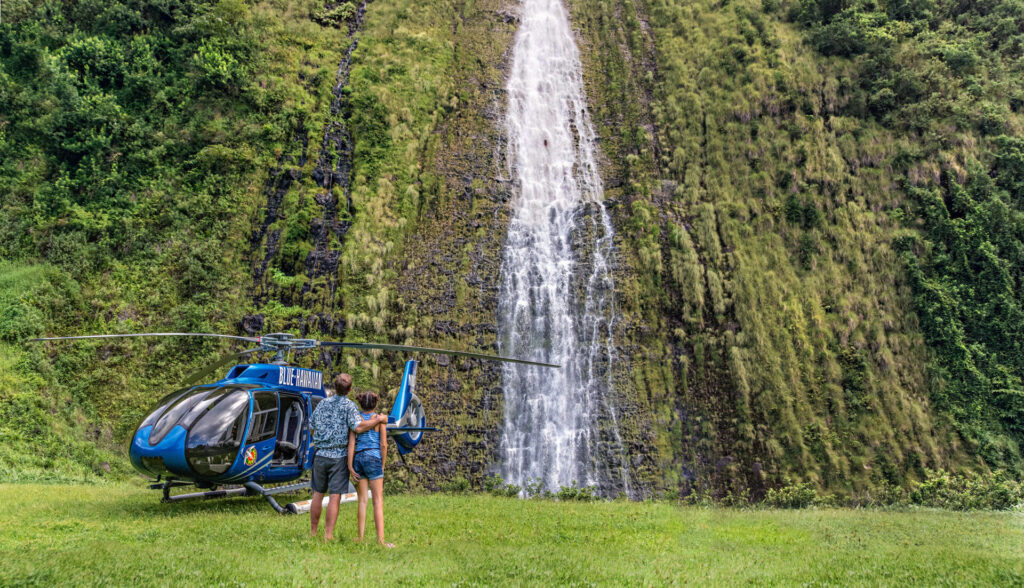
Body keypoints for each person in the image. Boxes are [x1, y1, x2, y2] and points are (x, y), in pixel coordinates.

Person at [309, 373, 387, 542]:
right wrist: (379, 419)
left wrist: (320, 441)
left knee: (317, 494)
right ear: (350, 389)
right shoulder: (349, 406)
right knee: (334, 496)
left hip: (320, 454)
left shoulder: (322, 403)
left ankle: (313, 533)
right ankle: (328, 535)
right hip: (338, 456)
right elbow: (358, 428)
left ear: (335, 387)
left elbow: (312, 427)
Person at [348, 390, 394, 548]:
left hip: (359, 458)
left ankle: (360, 537)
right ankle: (380, 541)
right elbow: (383, 444)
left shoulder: (357, 419)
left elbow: (352, 443)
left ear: (361, 403)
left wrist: (350, 465)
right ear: (375, 404)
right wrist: (382, 464)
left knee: (362, 500)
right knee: (378, 501)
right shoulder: (379, 420)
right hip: (373, 457)